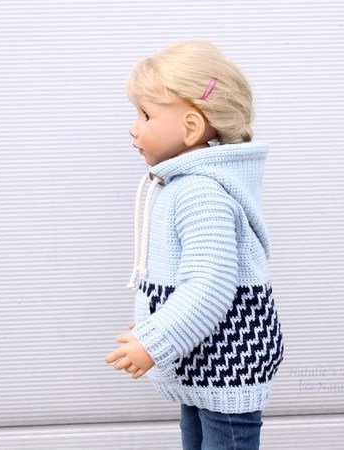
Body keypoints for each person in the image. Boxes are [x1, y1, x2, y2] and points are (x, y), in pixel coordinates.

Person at [104, 39, 284, 450]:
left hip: (227, 358)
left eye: (146, 115)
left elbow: (209, 284)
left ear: (190, 127)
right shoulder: (182, 185)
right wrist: (155, 320)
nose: (134, 127)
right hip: (202, 356)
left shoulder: (200, 193)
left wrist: (154, 339)